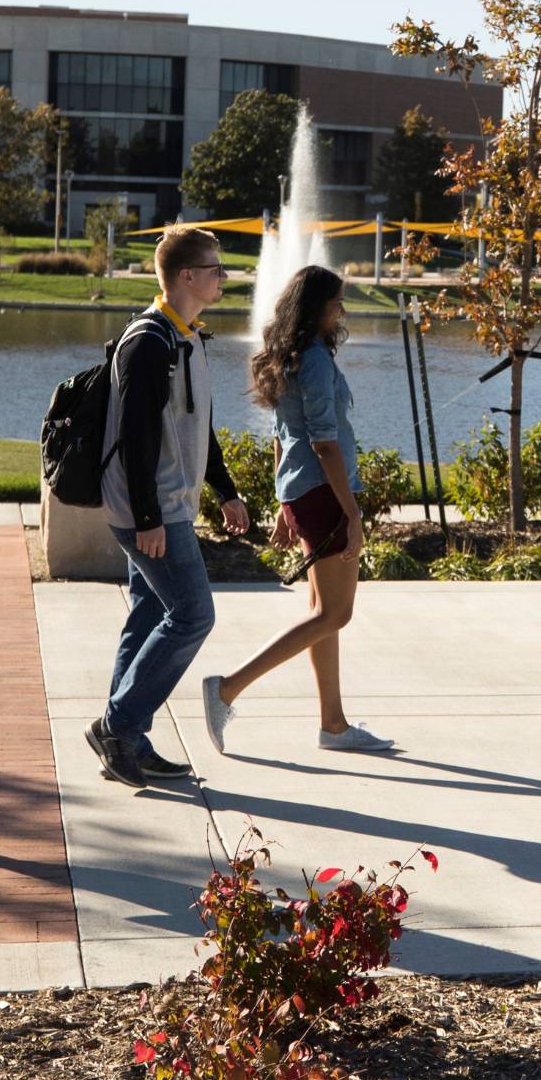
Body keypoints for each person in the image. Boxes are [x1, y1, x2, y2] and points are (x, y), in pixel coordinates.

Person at [199, 264, 395, 758]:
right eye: (337, 304)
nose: (342, 312)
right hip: (327, 495)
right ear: (317, 308)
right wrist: (352, 515)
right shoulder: (312, 360)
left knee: (321, 613)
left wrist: (287, 500)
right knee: (336, 612)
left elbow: (282, 437)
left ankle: (333, 724)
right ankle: (226, 689)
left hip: (307, 493)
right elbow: (323, 443)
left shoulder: (293, 356)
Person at [87, 224, 250, 787]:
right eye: (216, 268)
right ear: (186, 276)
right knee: (193, 614)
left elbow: (198, 426)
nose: (223, 276)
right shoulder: (149, 342)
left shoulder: (188, 338)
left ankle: (126, 740)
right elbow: (135, 436)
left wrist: (224, 490)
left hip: (168, 503)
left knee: (150, 613)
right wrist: (149, 518)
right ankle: (118, 724)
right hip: (150, 510)